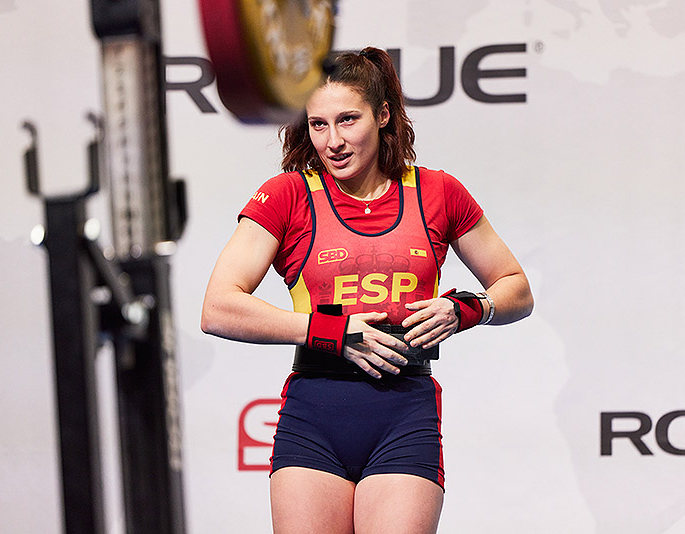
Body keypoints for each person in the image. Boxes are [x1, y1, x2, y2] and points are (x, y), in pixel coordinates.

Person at [201, 46, 533, 534]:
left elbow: (516, 289)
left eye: (347, 120)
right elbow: (217, 307)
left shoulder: (438, 192)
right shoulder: (289, 194)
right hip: (314, 416)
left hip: (404, 415)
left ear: (382, 115)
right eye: (318, 124)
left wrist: (468, 309)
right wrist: (330, 332)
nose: (332, 141)